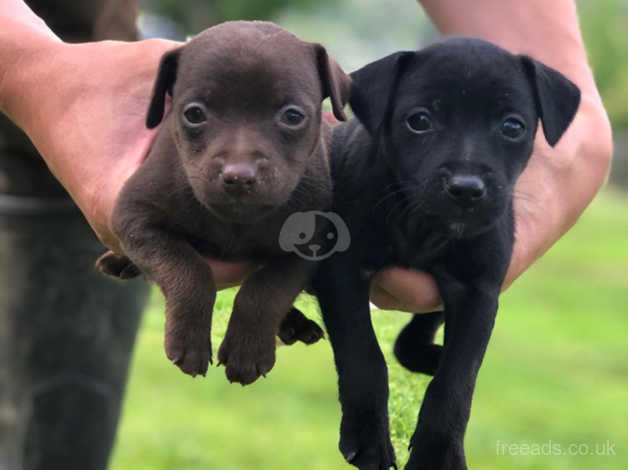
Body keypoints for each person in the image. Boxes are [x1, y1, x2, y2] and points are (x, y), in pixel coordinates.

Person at [0, 0, 612, 468]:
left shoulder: (323, 180)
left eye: (294, 117)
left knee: (56, 426)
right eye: (421, 121)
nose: (240, 160)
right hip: (53, 73)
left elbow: (313, 244)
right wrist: (33, 70)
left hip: (81, 33)